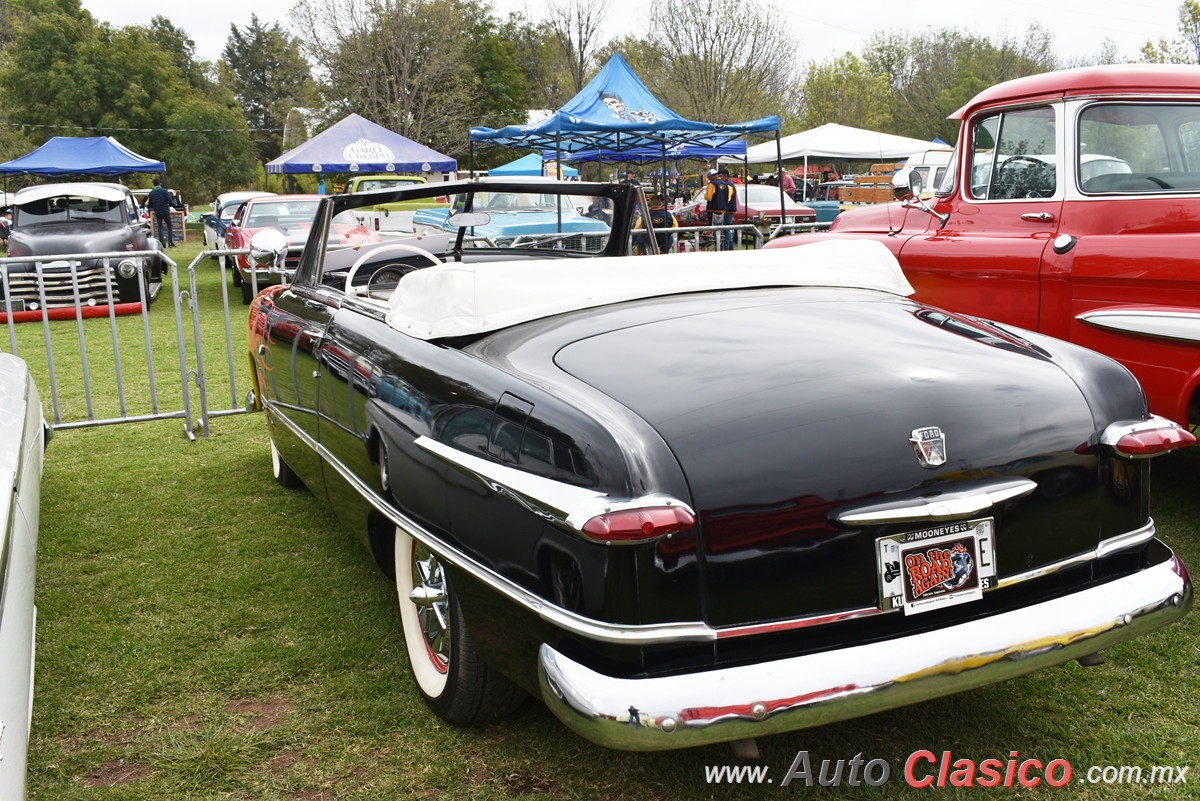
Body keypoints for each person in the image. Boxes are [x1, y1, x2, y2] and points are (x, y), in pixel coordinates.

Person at [705, 168, 737, 251]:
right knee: (726, 230)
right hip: (724, 210)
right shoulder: (725, 184)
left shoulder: (726, 184)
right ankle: (730, 246)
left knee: (723, 230)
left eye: (721, 175)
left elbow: (709, 197)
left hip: (722, 210)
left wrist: (706, 196)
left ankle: (725, 247)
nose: (719, 177)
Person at [144, 177, 175, 247]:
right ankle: (170, 242)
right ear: (160, 183)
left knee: (160, 227)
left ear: (153, 184)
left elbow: (149, 204)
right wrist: (170, 205)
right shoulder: (164, 191)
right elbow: (170, 200)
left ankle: (162, 243)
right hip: (165, 211)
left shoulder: (151, 193)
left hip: (157, 212)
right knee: (169, 226)